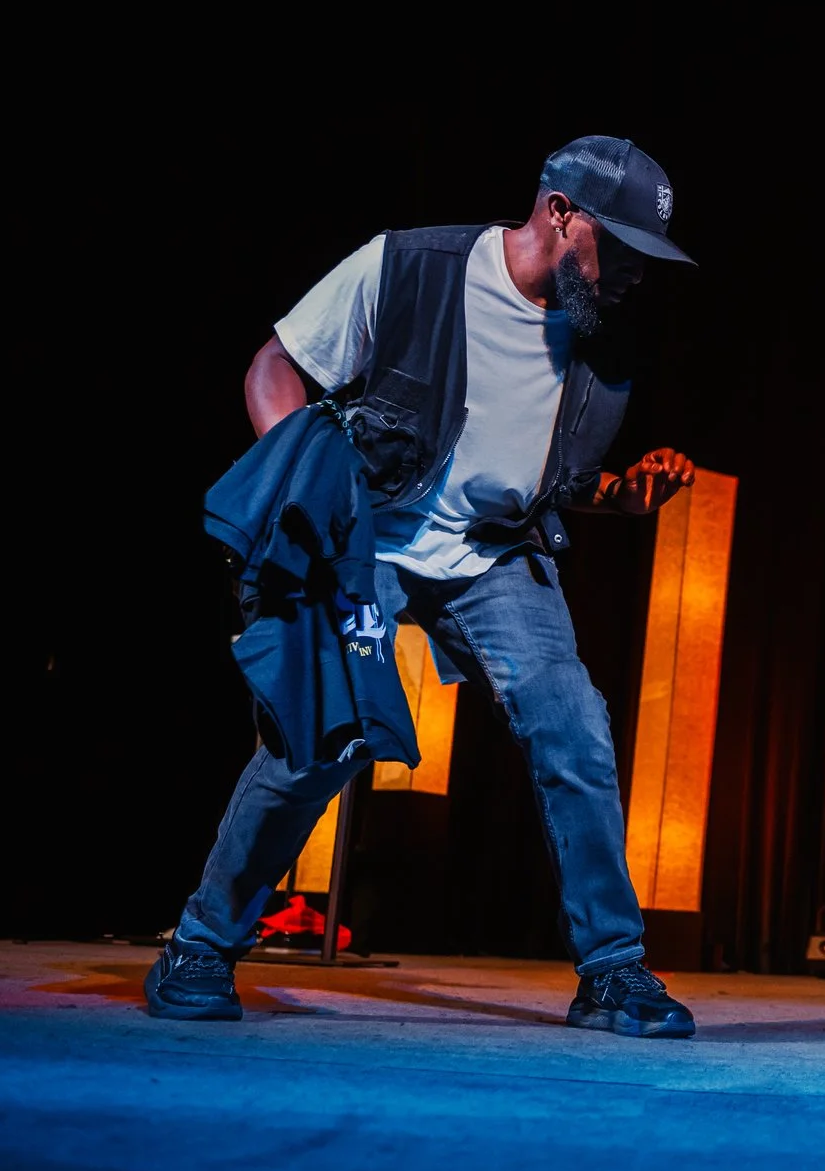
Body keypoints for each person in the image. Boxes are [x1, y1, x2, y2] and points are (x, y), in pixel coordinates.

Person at [147, 137, 706, 1039]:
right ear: (560, 212)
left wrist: (620, 496)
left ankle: (612, 970)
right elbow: (273, 369)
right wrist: (303, 497)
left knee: (574, 725)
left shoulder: (603, 341)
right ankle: (200, 945)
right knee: (321, 734)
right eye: (624, 246)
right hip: (368, 529)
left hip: (493, 553)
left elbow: (533, 474)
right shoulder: (412, 266)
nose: (638, 272)